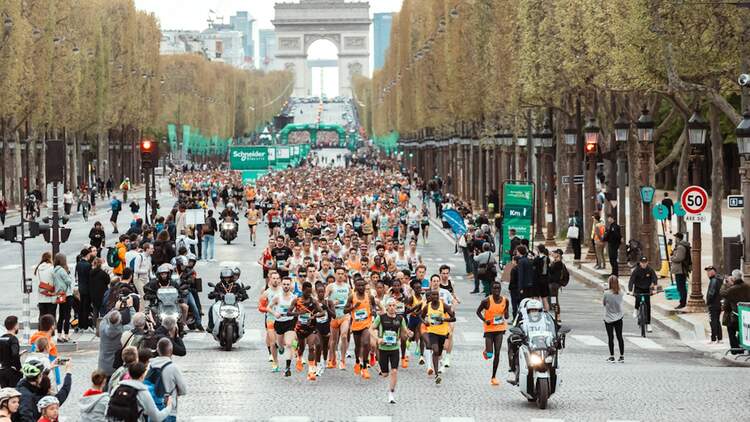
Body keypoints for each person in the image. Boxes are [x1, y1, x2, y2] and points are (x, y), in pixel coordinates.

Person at [370, 297, 412, 404]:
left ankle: (391, 393)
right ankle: (377, 365)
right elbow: (371, 329)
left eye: (394, 306)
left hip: (394, 349)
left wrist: (409, 333)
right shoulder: (381, 317)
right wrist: (378, 339)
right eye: (390, 306)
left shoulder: (400, 318)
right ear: (386, 307)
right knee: (385, 374)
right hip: (383, 349)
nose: (392, 308)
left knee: (394, 371)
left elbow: (405, 330)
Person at [107, 362, 174, 422]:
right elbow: (157, 418)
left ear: (129, 373)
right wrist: (169, 406)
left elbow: (107, 410)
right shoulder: (142, 392)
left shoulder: (117, 388)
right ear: (142, 375)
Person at [475, 282, 509, 386]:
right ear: (491, 290)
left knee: (497, 353)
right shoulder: (486, 301)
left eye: (498, 288)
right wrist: (485, 320)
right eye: (494, 288)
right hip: (489, 329)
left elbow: (506, 314)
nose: (496, 290)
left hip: (500, 328)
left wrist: (506, 315)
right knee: (490, 354)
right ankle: (487, 351)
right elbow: (478, 312)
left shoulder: (505, 300)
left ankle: (493, 377)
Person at [147, 338, 187, 422]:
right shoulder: (173, 368)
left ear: (157, 350)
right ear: (171, 350)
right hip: (169, 408)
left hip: (152, 407)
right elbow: (183, 390)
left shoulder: (149, 365)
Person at [421, 289, 456, 384]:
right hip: (432, 332)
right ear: (430, 297)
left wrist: (444, 319)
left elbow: (453, 318)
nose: (435, 297)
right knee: (435, 350)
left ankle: (438, 365)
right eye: (433, 295)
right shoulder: (427, 306)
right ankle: (436, 374)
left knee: (439, 352)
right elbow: (421, 316)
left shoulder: (443, 305)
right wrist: (425, 322)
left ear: (439, 296)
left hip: (442, 333)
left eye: (437, 295)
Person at [97, 302, 134, 378]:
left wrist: (115, 309)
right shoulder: (123, 330)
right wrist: (131, 307)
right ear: (120, 321)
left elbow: (105, 318)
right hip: (115, 366)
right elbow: (134, 324)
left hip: (102, 365)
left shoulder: (102, 326)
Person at [720, 269, 750, 354]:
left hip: (735, 314)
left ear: (734, 278)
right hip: (745, 314)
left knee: (731, 331)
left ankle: (735, 349)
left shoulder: (733, 289)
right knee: (743, 331)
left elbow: (723, 293)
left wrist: (725, 284)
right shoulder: (747, 286)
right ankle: (740, 347)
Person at [628, 256, 658, 333]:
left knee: (648, 305)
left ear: (647, 262)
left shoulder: (650, 270)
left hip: (646, 288)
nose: (644, 264)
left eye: (645, 262)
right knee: (638, 298)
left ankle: (648, 324)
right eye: (642, 263)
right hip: (638, 288)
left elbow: (654, 279)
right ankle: (636, 309)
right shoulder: (636, 270)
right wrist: (630, 290)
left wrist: (655, 289)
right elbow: (631, 280)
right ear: (640, 263)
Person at [51, 254, 74, 343]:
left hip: (60, 295)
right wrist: (68, 274)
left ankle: (59, 335)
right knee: (67, 315)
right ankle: (66, 335)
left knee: (61, 315)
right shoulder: (62, 270)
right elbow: (68, 281)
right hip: (67, 294)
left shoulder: (55, 270)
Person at [603, 275, 625, 363]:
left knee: (610, 337)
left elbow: (604, 303)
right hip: (619, 316)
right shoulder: (621, 293)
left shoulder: (606, 293)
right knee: (620, 336)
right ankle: (621, 356)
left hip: (608, 317)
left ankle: (612, 356)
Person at [76, 248, 95, 332]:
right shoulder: (88, 265)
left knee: (81, 306)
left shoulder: (78, 264)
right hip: (87, 288)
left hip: (81, 287)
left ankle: (80, 325)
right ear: (87, 255)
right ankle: (85, 325)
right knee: (86, 307)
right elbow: (90, 278)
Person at [34, 253, 56, 327]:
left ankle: (41, 330)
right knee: (51, 316)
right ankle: (50, 332)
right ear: (50, 258)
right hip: (51, 296)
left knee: (42, 315)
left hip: (41, 297)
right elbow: (55, 281)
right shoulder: (52, 268)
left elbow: (37, 283)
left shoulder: (38, 269)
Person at [670, 232, 690, 310]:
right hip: (679, 269)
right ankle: (682, 302)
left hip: (680, 270)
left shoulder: (680, 247)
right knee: (680, 287)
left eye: (676, 237)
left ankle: (682, 303)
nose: (675, 239)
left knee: (681, 287)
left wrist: (672, 258)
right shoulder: (680, 246)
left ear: (678, 238)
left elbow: (679, 258)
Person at [0, 317, 21, 388]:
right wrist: (18, 368)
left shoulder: (1, 338)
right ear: (15, 326)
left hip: (2, 370)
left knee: (4, 394)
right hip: (11, 371)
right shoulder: (13, 339)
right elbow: (14, 354)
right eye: (18, 324)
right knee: (13, 393)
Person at [704, 266, 724, 344]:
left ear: (714, 272)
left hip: (713, 304)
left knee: (713, 321)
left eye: (709, 271)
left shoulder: (713, 280)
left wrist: (708, 303)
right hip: (718, 303)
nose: (708, 273)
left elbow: (711, 293)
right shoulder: (719, 280)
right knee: (717, 321)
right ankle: (719, 338)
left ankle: (713, 339)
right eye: (707, 271)